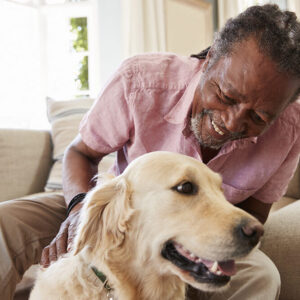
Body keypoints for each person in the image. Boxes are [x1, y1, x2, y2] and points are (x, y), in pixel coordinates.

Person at [0, 4, 299, 300]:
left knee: (261, 276)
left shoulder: (290, 131)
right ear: (209, 61)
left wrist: (192, 248)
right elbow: (80, 154)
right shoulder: (139, 81)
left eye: (259, 117)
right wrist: (79, 210)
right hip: (114, 206)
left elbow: (252, 215)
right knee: (7, 224)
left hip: (199, 232)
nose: (232, 121)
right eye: (226, 95)